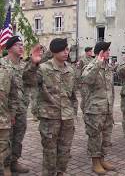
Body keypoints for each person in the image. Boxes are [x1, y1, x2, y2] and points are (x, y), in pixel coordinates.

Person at [24, 38, 78, 176]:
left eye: (67, 49)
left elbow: (72, 95)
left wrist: (73, 112)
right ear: (54, 51)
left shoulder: (70, 70)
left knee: (65, 150)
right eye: (63, 49)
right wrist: (33, 64)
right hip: (50, 118)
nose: (66, 52)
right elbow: (28, 80)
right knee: (50, 153)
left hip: (67, 118)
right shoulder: (43, 68)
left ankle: (61, 172)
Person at [81, 42, 115, 174]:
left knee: (106, 136)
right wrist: (97, 63)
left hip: (106, 108)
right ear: (100, 52)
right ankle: (95, 162)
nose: (109, 52)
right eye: (106, 50)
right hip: (94, 110)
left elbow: (110, 89)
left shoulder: (107, 67)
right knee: (95, 137)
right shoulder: (92, 65)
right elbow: (86, 79)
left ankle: (102, 159)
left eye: (109, 50)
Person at [0, 36, 30, 174]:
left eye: (22, 44)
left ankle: (14, 161)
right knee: (6, 139)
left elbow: (32, 83)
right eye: (18, 44)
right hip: (5, 111)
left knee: (18, 137)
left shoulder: (24, 66)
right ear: (10, 47)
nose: (22, 47)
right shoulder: (2, 65)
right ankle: (5, 165)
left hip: (21, 108)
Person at [0, 51, 18, 175]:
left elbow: (13, 94)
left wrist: (12, 113)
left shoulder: (7, 70)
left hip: (3, 118)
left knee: (3, 147)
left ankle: (4, 168)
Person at [76, 47, 95, 113]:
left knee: (90, 97)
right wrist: (79, 82)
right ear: (86, 52)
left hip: (91, 82)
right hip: (84, 82)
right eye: (90, 51)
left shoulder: (93, 60)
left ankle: (89, 110)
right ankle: (83, 109)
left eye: (91, 51)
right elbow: (78, 71)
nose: (91, 52)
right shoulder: (82, 60)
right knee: (84, 97)